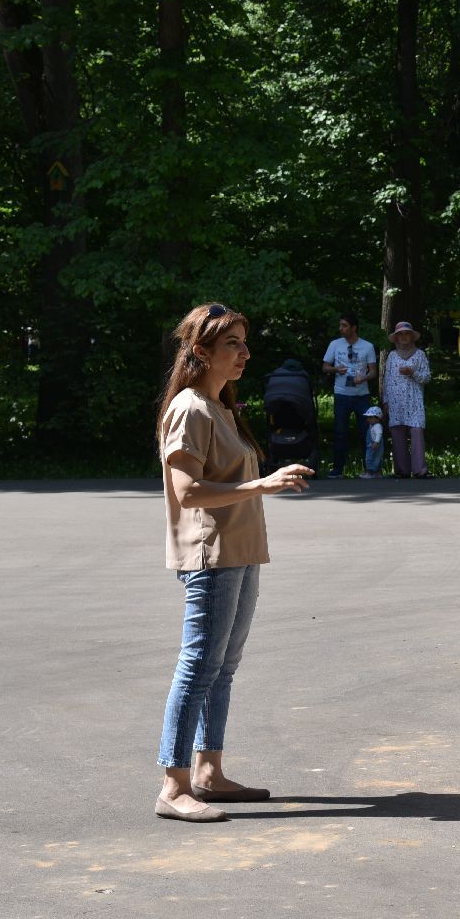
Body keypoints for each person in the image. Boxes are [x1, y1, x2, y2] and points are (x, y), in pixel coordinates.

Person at [154, 302, 315, 823]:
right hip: (211, 555)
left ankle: (208, 772)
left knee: (223, 668)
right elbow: (188, 491)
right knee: (199, 665)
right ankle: (173, 785)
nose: (245, 353)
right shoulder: (190, 408)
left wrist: (259, 486)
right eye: (232, 344)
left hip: (241, 551)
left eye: (245, 343)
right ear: (201, 351)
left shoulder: (221, 406)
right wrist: (262, 484)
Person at [321, 311, 377, 478]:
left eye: (344, 326)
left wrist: (364, 378)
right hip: (341, 394)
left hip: (362, 395)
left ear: (354, 328)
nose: (341, 329)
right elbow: (325, 367)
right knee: (340, 432)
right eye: (340, 325)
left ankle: (369, 469)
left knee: (366, 432)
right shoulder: (335, 344)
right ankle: (338, 469)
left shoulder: (367, 346)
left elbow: (373, 371)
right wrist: (336, 369)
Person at [382, 321, 433, 478]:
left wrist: (413, 372)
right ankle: (401, 471)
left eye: (407, 334)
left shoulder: (420, 354)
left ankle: (420, 471)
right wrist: (385, 400)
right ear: (396, 338)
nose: (403, 337)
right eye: (400, 334)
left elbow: (427, 377)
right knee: (397, 433)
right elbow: (387, 379)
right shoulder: (391, 356)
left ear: (412, 336)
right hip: (395, 401)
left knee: (417, 431)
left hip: (414, 401)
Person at [361, 406, 385, 479]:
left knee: (370, 458)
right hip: (372, 445)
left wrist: (376, 442)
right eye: (368, 417)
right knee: (376, 458)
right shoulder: (372, 425)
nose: (368, 419)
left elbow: (379, 434)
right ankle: (377, 473)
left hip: (375, 445)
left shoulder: (377, 426)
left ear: (377, 418)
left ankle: (370, 473)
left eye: (371, 417)